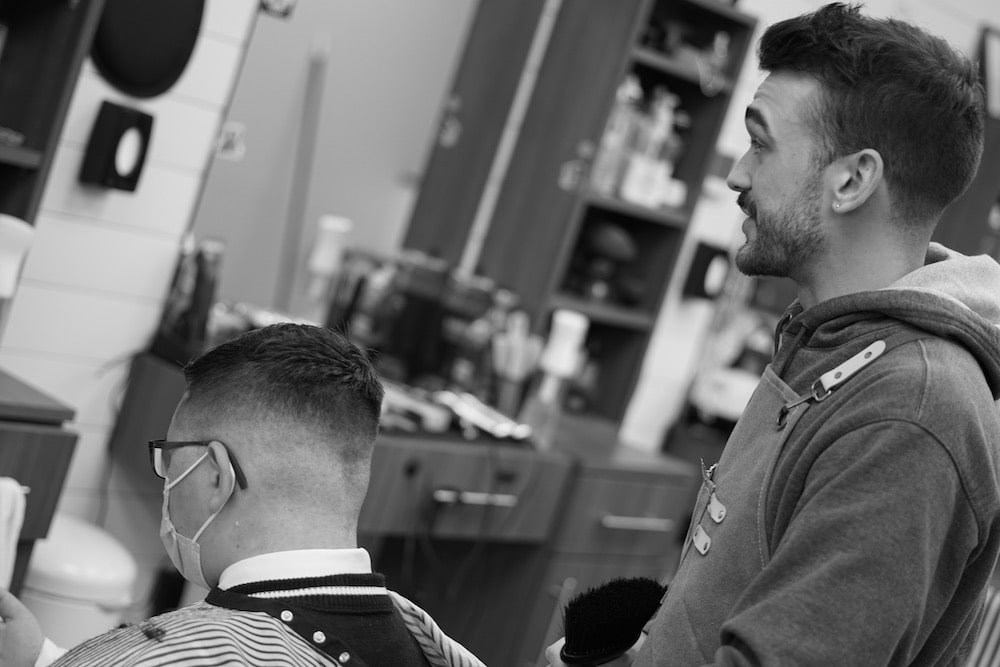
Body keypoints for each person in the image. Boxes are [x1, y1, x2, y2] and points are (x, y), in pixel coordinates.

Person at [548, 3, 1000, 666]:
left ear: (851, 180)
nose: (736, 173)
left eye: (760, 143)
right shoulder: (830, 348)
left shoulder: (911, 412)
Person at [0, 323, 484, 667]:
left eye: (170, 461)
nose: (166, 482)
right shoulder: (420, 642)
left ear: (215, 476)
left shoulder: (188, 654)